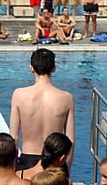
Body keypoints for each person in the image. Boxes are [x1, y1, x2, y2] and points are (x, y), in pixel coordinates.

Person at [10, 48, 75, 177]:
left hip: (27, 159)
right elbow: (70, 140)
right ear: (54, 68)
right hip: (56, 161)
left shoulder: (19, 95)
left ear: (31, 68)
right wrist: (66, 170)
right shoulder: (66, 98)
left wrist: (13, 170)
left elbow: (14, 138)